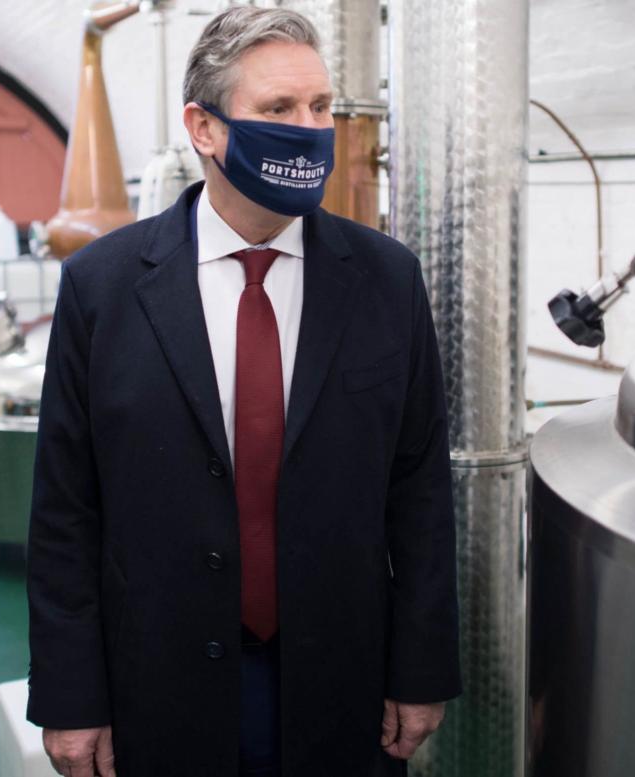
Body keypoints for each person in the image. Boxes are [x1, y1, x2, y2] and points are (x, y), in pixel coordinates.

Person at [25, 7, 461, 776]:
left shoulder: (387, 279)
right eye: (277, 110)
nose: (309, 128)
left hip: (340, 679)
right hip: (160, 681)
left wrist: (421, 668)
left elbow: (419, 488)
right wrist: (70, 694)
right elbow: (66, 508)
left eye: (320, 107)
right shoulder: (103, 286)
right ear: (205, 128)